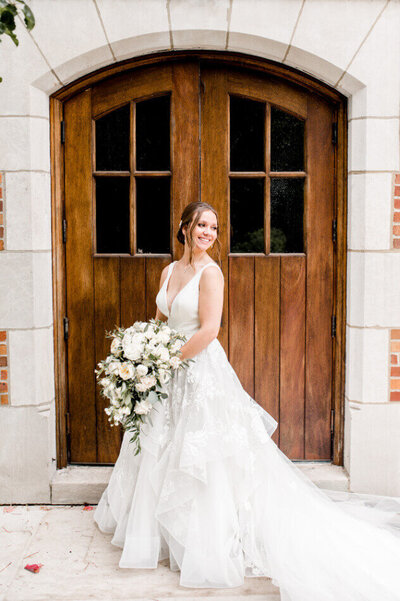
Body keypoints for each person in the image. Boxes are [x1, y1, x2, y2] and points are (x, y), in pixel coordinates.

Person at [94, 201, 400, 600]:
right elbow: (160, 319)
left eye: (214, 227)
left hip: (198, 373)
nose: (208, 232)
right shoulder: (170, 270)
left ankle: (208, 540)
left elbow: (208, 331)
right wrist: (141, 351)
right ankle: (161, 536)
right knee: (160, 451)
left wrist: (162, 360)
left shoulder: (211, 273)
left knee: (204, 460)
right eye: (201, 225)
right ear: (184, 227)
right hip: (167, 375)